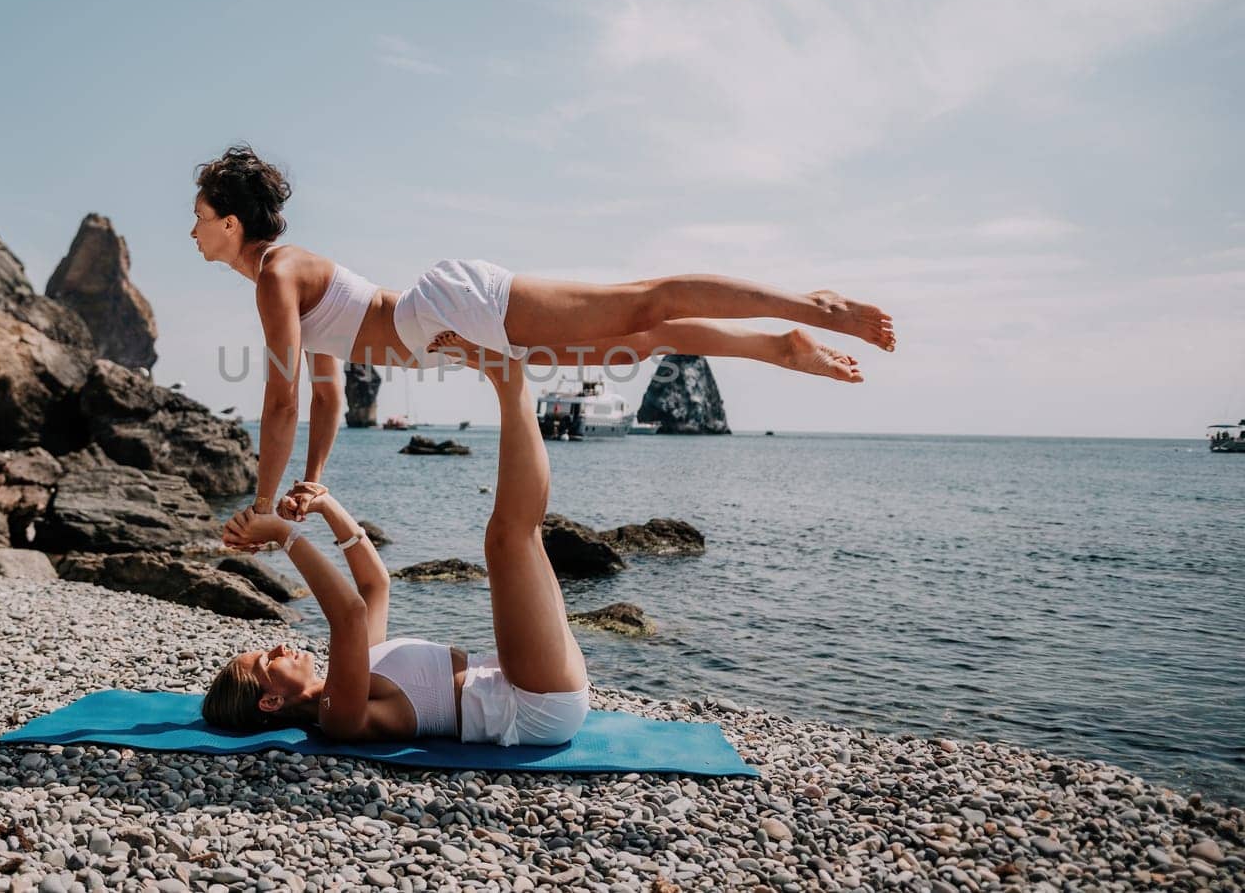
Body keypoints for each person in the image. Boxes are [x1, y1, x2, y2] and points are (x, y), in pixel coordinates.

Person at [190, 144, 895, 522]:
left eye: (199, 215)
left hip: (445, 308)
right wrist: (309, 484)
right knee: (642, 339)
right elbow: (327, 395)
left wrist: (260, 506)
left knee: (644, 301)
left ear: (230, 222)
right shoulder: (279, 280)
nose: (191, 230)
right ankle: (777, 346)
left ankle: (813, 306)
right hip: (449, 335)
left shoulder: (278, 275)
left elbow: (281, 402)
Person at [202, 350, 590, 746]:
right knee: (508, 539)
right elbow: (349, 615)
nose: (281, 646)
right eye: (269, 660)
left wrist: (326, 505)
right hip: (533, 705)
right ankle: (508, 378)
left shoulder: (349, 673)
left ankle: (509, 378)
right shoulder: (337, 715)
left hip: (526, 683)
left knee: (524, 534)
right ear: (270, 702)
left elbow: (375, 585)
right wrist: (284, 535)